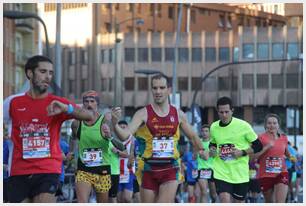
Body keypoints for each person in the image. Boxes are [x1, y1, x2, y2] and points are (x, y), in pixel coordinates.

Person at [3, 55, 94, 203]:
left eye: (51, 73)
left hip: (48, 169)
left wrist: (67, 108)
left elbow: (88, 115)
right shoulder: (13, 103)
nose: (48, 77)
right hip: (18, 170)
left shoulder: (57, 103)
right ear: (30, 73)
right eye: (43, 71)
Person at [111, 73, 208, 203]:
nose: (158, 91)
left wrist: (202, 150)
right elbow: (124, 135)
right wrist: (114, 123)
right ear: (151, 90)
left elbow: (193, 136)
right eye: (155, 88)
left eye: (162, 88)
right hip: (148, 168)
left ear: (169, 90)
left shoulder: (178, 114)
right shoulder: (142, 114)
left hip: (170, 168)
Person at [209, 96, 263, 203]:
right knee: (224, 200)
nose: (224, 115)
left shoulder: (243, 126)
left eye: (226, 112)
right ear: (217, 111)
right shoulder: (214, 127)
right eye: (221, 112)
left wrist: (242, 152)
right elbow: (213, 143)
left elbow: (258, 146)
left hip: (240, 174)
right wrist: (212, 149)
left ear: (232, 111)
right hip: (221, 172)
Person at [70, 90, 115, 203]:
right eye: (86, 101)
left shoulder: (104, 121)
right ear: (83, 104)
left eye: (92, 101)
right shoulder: (76, 123)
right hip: (83, 170)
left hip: (102, 169)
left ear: (97, 104)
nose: (89, 104)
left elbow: (113, 139)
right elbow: (73, 138)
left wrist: (109, 134)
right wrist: (71, 154)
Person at [254, 113, 291, 203]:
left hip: (281, 173)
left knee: (280, 202)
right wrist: (266, 148)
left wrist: (292, 157)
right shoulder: (260, 138)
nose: (272, 125)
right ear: (265, 125)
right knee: (269, 202)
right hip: (266, 174)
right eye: (269, 123)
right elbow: (253, 157)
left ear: (278, 125)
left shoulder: (284, 138)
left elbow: (287, 154)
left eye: (275, 123)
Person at [196, 124, 217, 203]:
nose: (204, 133)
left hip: (212, 170)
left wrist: (205, 154)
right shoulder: (198, 143)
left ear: (210, 133)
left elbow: (212, 155)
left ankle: (213, 201)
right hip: (201, 169)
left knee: (214, 194)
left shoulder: (213, 143)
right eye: (203, 131)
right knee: (204, 192)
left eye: (206, 131)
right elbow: (195, 156)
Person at [117, 120, 137, 203]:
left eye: (124, 128)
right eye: (120, 128)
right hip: (117, 172)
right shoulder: (114, 141)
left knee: (127, 198)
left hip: (129, 172)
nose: (122, 130)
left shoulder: (132, 140)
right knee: (119, 199)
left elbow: (136, 155)